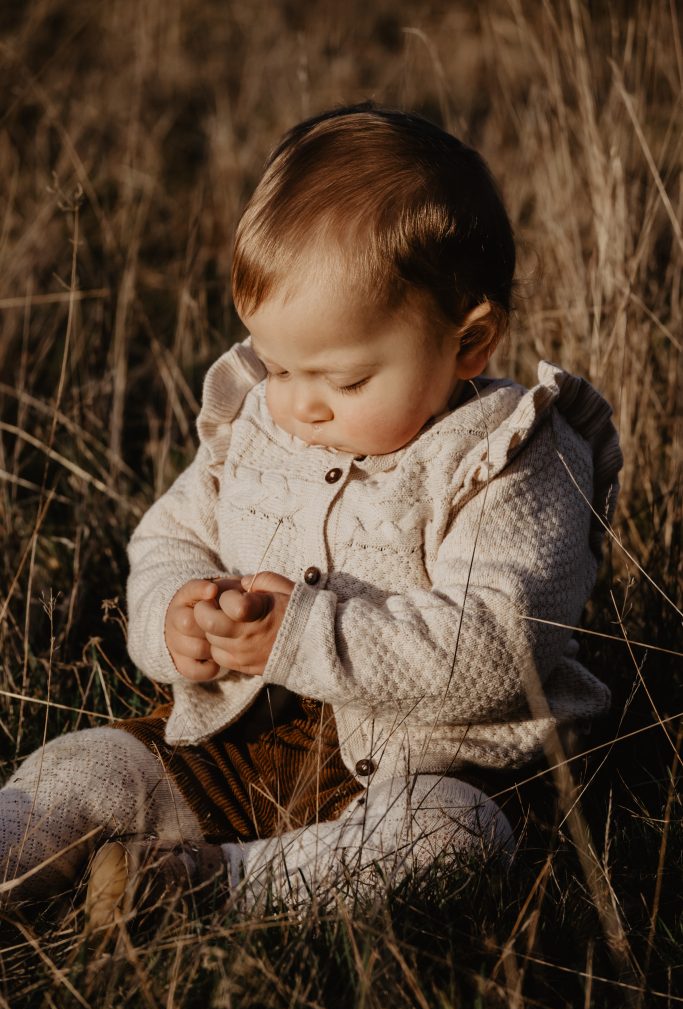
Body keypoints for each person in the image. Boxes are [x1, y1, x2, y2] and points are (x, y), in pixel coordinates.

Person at [0, 104, 622, 927]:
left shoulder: (515, 458)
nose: (300, 404)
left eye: (345, 381)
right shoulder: (261, 417)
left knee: (449, 842)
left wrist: (300, 635)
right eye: (279, 364)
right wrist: (177, 615)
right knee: (78, 771)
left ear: (468, 343)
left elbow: (495, 647)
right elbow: (172, 535)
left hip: (437, 764)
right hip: (242, 743)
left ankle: (205, 886)